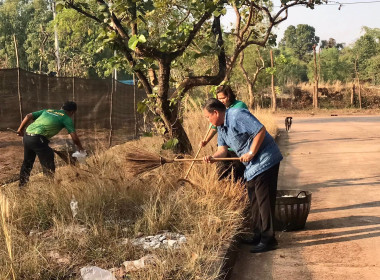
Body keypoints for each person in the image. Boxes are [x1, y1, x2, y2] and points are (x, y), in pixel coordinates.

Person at [202, 98, 283, 253]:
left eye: (207, 117)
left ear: (215, 112)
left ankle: (269, 239)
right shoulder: (221, 128)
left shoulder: (237, 115)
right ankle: (258, 234)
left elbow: (260, 130)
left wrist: (251, 152)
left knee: (264, 199)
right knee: (253, 198)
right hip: (252, 166)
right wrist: (213, 158)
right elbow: (222, 150)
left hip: (266, 159)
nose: (208, 121)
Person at [17, 101, 85, 188]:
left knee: (27, 163)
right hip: (38, 139)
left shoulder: (48, 110)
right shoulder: (66, 118)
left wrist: (20, 129)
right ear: (72, 111)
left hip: (27, 137)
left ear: (62, 108)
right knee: (48, 164)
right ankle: (49, 190)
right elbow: (74, 137)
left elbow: (28, 116)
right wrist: (81, 148)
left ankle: (22, 187)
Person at [201, 85, 248, 181]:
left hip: (239, 149)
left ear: (229, 96)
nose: (221, 100)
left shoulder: (238, 107)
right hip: (226, 148)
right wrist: (206, 141)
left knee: (238, 176)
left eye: (223, 98)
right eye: (219, 98)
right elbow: (214, 127)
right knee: (222, 173)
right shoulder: (219, 115)